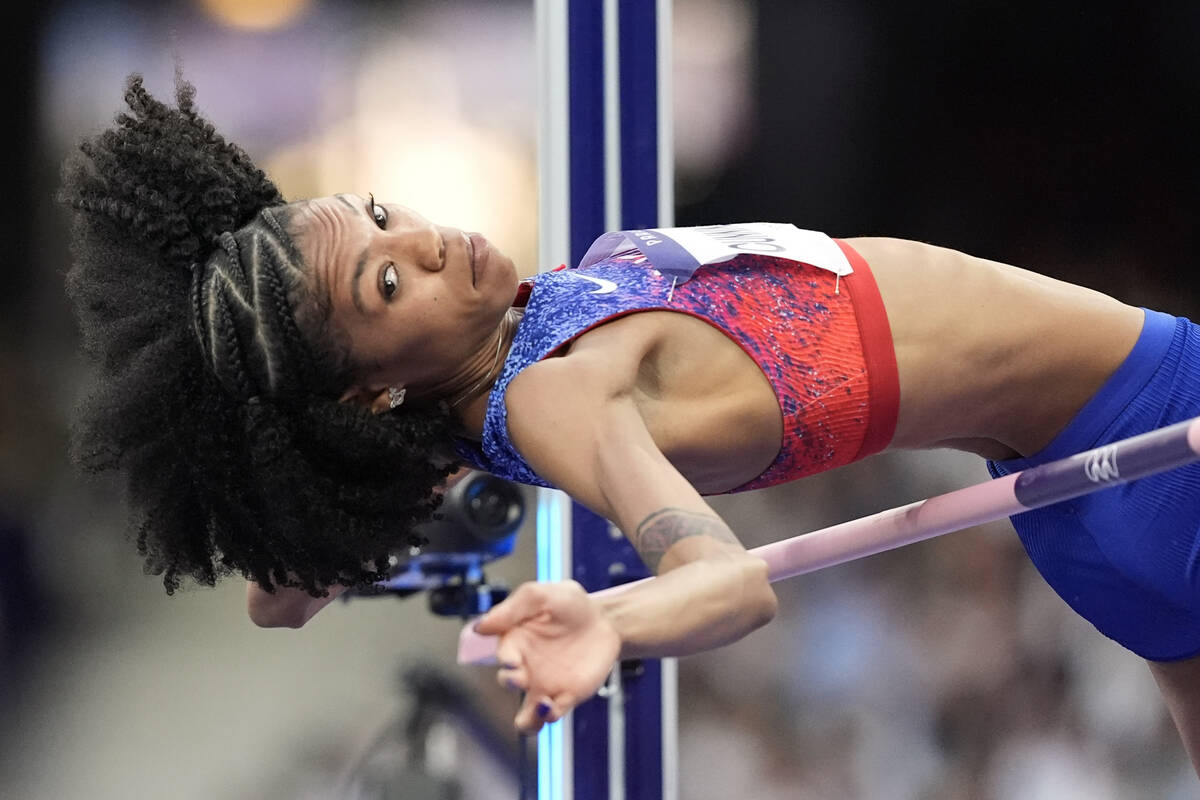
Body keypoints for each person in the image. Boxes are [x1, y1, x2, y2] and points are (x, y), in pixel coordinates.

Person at [62, 76, 1199, 774]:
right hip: (1150, 419)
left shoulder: (466, 409)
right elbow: (733, 582)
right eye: (385, 287)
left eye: (376, 218)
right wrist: (618, 625)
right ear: (369, 391)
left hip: (1080, 499)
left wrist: (311, 530)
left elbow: (280, 595)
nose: (418, 240)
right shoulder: (554, 394)